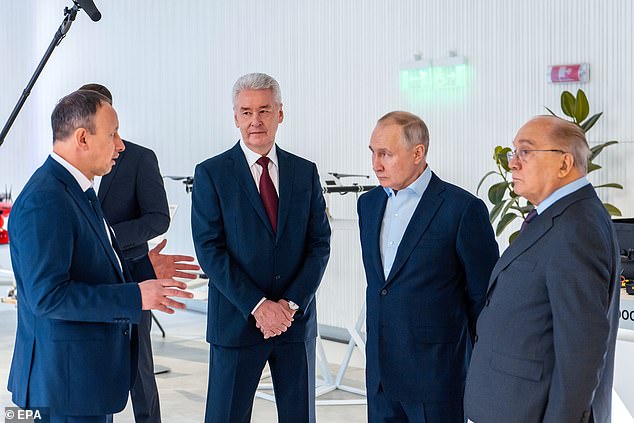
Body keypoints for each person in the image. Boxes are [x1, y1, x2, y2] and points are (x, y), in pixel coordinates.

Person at [7, 89, 193, 423]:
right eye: (112, 134)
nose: (120, 145)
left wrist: (140, 269)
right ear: (82, 138)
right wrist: (135, 294)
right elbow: (48, 297)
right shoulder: (46, 199)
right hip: (60, 387)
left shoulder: (77, 190)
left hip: (81, 380)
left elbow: (87, 266)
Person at [191, 73, 331, 423]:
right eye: (247, 111)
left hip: (294, 323)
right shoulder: (211, 174)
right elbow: (210, 250)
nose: (256, 121)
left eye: (265, 110)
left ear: (280, 114)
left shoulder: (305, 172)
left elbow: (319, 245)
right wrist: (258, 306)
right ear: (235, 117)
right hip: (237, 321)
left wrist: (288, 305)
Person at [463, 116, 620, 423]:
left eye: (525, 152)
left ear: (564, 164)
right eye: (514, 153)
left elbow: (581, 353)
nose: (513, 164)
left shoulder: (577, 227)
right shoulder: (557, 217)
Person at [357, 111, 499, 422]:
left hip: (437, 380)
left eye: (386, 154)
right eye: (373, 153)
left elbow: (484, 300)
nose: (375, 164)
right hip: (380, 377)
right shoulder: (367, 205)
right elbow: (382, 287)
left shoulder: (462, 210)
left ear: (418, 153)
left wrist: (483, 373)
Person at [79, 83, 196, 423]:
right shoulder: (71, 166)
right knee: (95, 364)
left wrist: (109, 236)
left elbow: (158, 217)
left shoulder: (139, 158)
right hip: (89, 281)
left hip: (133, 273)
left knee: (139, 367)